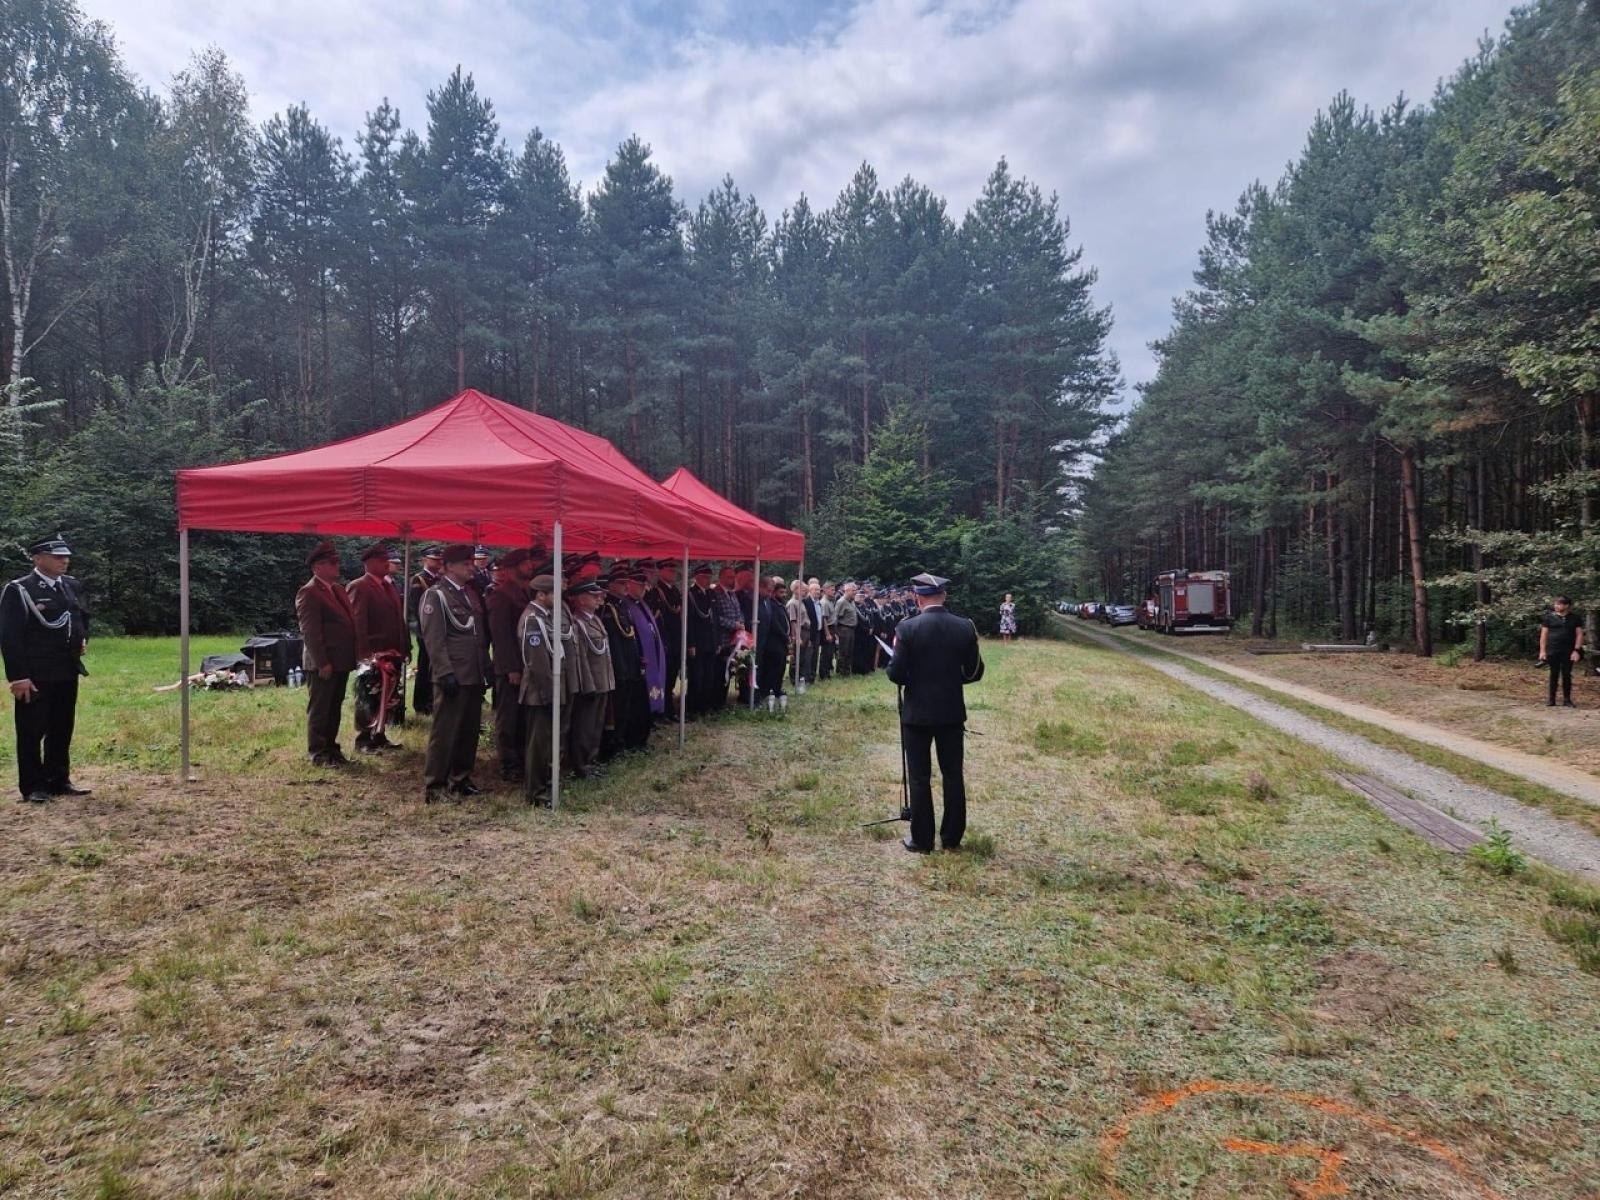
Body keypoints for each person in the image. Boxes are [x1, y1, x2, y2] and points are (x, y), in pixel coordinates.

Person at [886, 572, 985, 854]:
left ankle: (922, 839)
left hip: (917, 713)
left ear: (918, 598)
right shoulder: (965, 627)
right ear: (945, 596)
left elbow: (895, 674)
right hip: (951, 711)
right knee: (953, 774)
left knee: (919, 777)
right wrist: (952, 680)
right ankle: (952, 837)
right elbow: (974, 671)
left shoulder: (907, 628)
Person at [1, 533, 91, 803]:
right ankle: (33, 786)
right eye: (57, 556)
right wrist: (18, 677)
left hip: (66, 669)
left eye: (66, 556)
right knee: (31, 730)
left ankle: (58, 779)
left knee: (61, 727)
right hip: (36, 672)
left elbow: (81, 617)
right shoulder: (20, 589)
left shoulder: (71, 586)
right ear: (38, 559)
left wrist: (82, 639)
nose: (64, 561)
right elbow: (10, 636)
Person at [418, 544, 487, 801]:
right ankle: (435, 785)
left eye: (471, 563)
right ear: (448, 567)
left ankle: (460, 777)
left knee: (468, 730)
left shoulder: (469, 594)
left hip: (472, 672)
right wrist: (444, 671)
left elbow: (477, 635)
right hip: (453, 673)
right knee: (445, 732)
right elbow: (433, 639)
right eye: (465, 564)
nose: (471, 567)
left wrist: (484, 667)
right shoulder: (436, 596)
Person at [296, 540, 358, 767]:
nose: (337, 566)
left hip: (340, 661)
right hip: (323, 662)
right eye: (332, 563)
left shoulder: (338, 590)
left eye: (336, 562)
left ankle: (331, 748)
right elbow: (310, 632)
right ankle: (318, 752)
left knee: (334, 706)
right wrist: (322, 662)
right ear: (318, 567)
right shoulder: (309, 592)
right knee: (321, 708)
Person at [517, 573, 575, 807]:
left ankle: (546, 785)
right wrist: (549, 692)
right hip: (540, 691)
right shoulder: (533, 620)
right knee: (538, 745)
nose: (559, 598)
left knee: (548, 741)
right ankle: (536, 792)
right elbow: (537, 662)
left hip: (550, 687)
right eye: (555, 593)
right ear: (541, 595)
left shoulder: (546, 616)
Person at [348, 542, 409, 752]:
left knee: (387, 697)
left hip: (393, 652)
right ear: (370, 563)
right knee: (369, 696)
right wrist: (364, 654)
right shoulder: (360, 586)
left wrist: (405, 647)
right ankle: (364, 738)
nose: (387, 564)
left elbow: (399, 620)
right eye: (383, 560)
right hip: (374, 654)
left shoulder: (389, 586)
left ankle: (380, 734)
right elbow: (358, 622)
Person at [487, 548, 535, 781]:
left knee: (523, 714)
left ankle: (522, 756)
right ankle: (509, 762)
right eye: (524, 563)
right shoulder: (501, 595)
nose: (529, 566)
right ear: (511, 568)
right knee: (509, 716)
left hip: (526, 663)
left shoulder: (524, 592)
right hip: (511, 666)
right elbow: (501, 636)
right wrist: (510, 668)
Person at [567, 579, 613, 778]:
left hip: (603, 679)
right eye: (593, 596)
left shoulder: (594, 619)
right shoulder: (578, 622)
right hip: (591, 682)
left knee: (596, 725)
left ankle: (591, 760)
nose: (599, 598)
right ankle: (581, 765)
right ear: (580, 599)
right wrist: (588, 684)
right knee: (584, 726)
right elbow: (581, 657)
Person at [601, 573, 646, 757]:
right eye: (621, 583)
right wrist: (621, 669)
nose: (625, 586)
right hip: (620, 667)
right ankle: (613, 744)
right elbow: (614, 643)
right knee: (617, 709)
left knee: (626, 707)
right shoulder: (608, 608)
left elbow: (630, 637)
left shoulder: (622, 606)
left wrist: (637, 660)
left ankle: (622, 740)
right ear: (611, 585)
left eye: (626, 583)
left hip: (630, 665)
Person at [408, 547, 443, 716]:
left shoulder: (440, 579)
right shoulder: (419, 579)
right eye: (434, 559)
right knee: (424, 667)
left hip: (440, 631)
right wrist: (423, 632)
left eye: (439, 560)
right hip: (426, 631)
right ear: (425, 560)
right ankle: (421, 703)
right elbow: (416, 608)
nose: (437, 562)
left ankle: (433, 699)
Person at [647, 559, 683, 719]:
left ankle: (668, 707)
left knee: (672, 675)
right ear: (661, 571)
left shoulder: (674, 590)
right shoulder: (657, 591)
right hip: (664, 639)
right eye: (670, 570)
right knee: (665, 677)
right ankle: (664, 709)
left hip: (675, 639)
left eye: (674, 570)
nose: (673, 573)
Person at [685, 564, 719, 716]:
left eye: (709, 577)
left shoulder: (711, 594)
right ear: (698, 577)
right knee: (696, 677)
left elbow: (715, 619)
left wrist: (717, 641)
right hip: (698, 642)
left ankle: (706, 706)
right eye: (705, 577)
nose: (708, 580)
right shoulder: (690, 594)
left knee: (709, 677)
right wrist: (690, 643)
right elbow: (689, 621)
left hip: (710, 642)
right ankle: (693, 707)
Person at [1538, 595, 1584, 708]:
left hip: (1568, 651)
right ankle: (1551, 699)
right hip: (1553, 650)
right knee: (1553, 674)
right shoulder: (1548, 618)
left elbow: (1579, 635)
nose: (1556, 606)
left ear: (1566, 605)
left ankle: (1567, 700)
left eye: (1559, 604)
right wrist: (1542, 651)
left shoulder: (1575, 618)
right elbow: (1544, 635)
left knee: (1566, 674)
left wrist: (1576, 650)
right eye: (1555, 604)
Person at [755, 575, 791, 714]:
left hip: (777, 642)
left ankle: (775, 688)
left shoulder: (776, 604)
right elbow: (774, 624)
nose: (770, 593)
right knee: (769, 668)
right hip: (771, 642)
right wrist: (785, 636)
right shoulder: (765, 602)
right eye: (770, 590)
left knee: (780, 666)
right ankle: (765, 691)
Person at [834, 582, 859, 677]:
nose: (855, 592)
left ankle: (847, 671)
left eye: (856, 590)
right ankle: (841, 672)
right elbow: (836, 618)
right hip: (844, 629)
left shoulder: (852, 601)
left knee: (849, 651)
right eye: (853, 590)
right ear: (847, 591)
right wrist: (837, 633)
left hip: (852, 629)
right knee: (843, 652)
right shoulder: (841, 602)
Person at [818, 581, 838, 681]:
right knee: (826, 653)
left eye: (834, 590)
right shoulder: (824, 602)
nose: (833, 592)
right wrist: (827, 634)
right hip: (828, 628)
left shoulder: (830, 601)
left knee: (830, 653)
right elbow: (824, 619)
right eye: (831, 590)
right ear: (825, 590)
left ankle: (827, 672)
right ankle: (823, 674)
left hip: (833, 628)